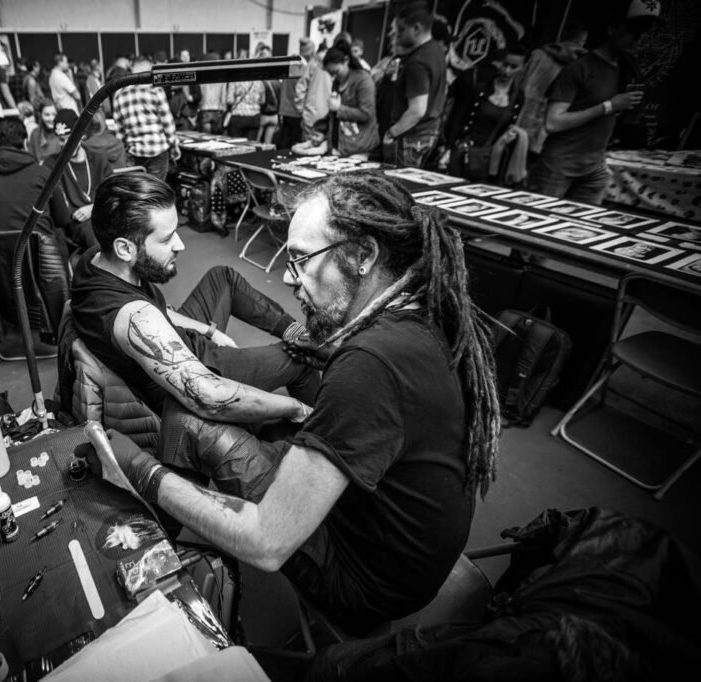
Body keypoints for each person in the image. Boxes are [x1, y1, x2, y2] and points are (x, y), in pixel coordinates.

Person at [78, 172, 502, 634]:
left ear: (363, 255)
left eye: (300, 258)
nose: (285, 275)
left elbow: (266, 542)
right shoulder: (421, 318)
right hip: (392, 550)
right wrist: (301, 408)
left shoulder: (370, 364)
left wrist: (139, 468)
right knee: (232, 415)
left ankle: (159, 540)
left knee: (197, 427)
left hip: (362, 581)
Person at [69, 171, 319, 427]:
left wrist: (210, 331)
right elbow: (209, 396)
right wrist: (296, 408)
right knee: (302, 359)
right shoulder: (136, 318)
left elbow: (161, 312)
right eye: (166, 239)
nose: (180, 245)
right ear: (125, 249)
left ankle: (295, 332)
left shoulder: (97, 258)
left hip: (181, 337)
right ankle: (323, 433)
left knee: (223, 277)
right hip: (196, 369)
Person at [527, 3, 660, 204]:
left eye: (645, 32)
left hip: (594, 166)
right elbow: (552, 122)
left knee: (583, 224)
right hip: (558, 166)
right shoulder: (580, 67)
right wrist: (608, 106)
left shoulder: (627, 70)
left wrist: (622, 110)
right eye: (633, 30)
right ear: (613, 28)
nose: (638, 38)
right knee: (536, 219)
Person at [0, 117, 70, 244]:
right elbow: (62, 219)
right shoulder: (42, 173)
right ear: (25, 143)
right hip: (41, 251)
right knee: (59, 234)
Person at [438, 44, 528, 181]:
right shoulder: (480, 87)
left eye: (513, 67)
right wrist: (448, 149)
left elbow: (510, 125)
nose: (507, 71)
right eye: (505, 65)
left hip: (491, 158)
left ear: (522, 68)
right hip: (464, 151)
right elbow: (459, 117)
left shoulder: (518, 97)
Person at [382, 2, 448, 169]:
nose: (397, 35)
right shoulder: (436, 51)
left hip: (411, 136)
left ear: (416, 28)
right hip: (427, 133)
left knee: (401, 181)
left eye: (401, 29)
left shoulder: (418, 62)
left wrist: (392, 132)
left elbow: (417, 110)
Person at [515, 24, 588, 157]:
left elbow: (518, 83)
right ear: (582, 41)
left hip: (523, 122)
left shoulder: (538, 54)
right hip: (552, 132)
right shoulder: (584, 65)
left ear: (562, 36)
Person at [45, 109, 111, 257]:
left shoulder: (98, 160)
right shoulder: (52, 164)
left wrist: (93, 208)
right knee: (92, 233)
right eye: (61, 140)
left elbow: (113, 194)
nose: (66, 144)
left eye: (70, 138)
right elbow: (57, 209)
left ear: (81, 135)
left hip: (103, 215)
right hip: (77, 224)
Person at [112, 56, 180, 181]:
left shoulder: (119, 94)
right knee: (156, 189)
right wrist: (174, 144)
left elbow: (119, 131)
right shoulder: (155, 90)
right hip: (157, 150)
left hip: (134, 153)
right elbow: (167, 122)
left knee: (138, 190)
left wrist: (125, 151)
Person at [323, 46, 379, 156]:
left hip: (360, 147)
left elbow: (366, 113)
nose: (334, 76)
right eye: (331, 73)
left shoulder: (363, 79)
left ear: (346, 60)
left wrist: (339, 108)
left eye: (336, 72)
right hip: (340, 146)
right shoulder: (337, 82)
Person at [296, 37, 332, 153]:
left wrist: (301, 109)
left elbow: (301, 87)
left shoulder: (313, 63)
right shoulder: (335, 65)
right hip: (329, 113)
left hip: (311, 113)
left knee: (308, 150)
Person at [276, 40, 307, 148]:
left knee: (285, 138)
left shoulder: (286, 75)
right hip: (295, 112)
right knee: (295, 140)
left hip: (284, 110)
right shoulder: (300, 76)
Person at [197, 52, 227, 134]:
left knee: (206, 136)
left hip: (205, 108)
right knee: (217, 136)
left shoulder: (202, 76)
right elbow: (223, 97)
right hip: (218, 109)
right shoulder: (222, 77)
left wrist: (198, 107)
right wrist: (224, 108)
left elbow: (200, 94)